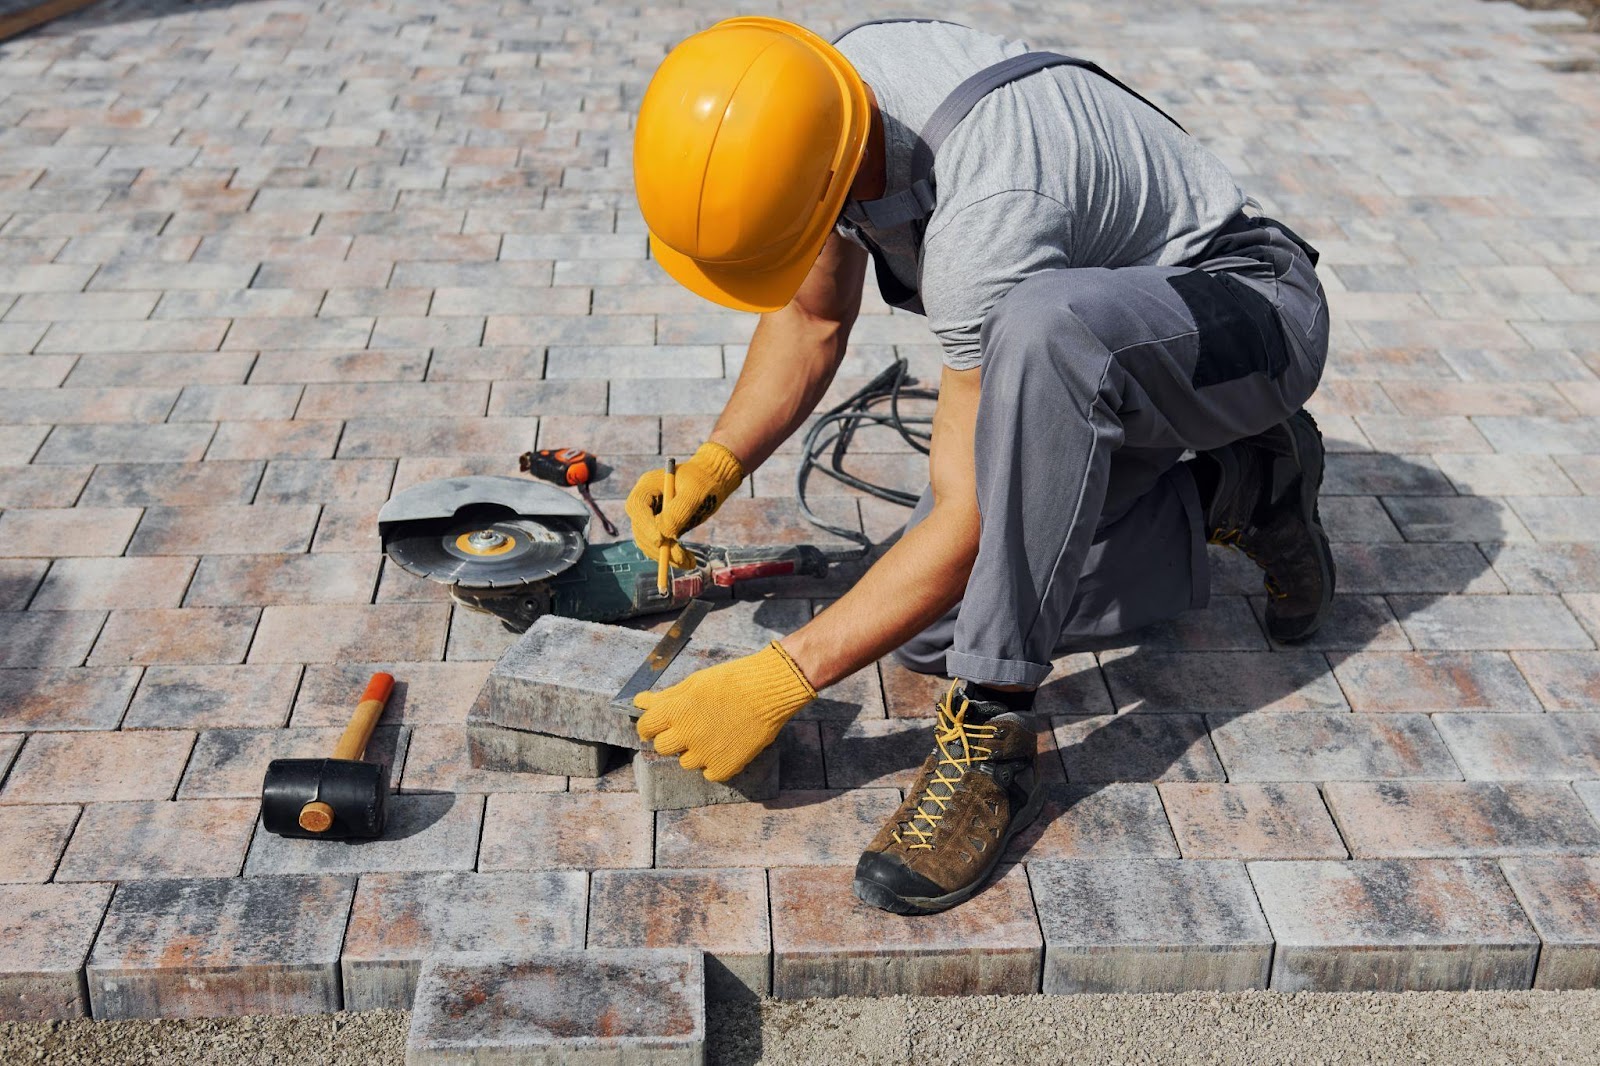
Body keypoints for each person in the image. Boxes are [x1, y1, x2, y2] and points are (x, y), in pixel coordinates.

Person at [623, 16, 1333, 915]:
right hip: (1126, 343)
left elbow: (971, 519)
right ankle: (1243, 488)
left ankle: (994, 735)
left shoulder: (984, 214)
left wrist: (782, 676)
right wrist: (714, 468)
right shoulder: (816, 102)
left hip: (1249, 317)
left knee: (1043, 334)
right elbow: (810, 320)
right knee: (929, 633)